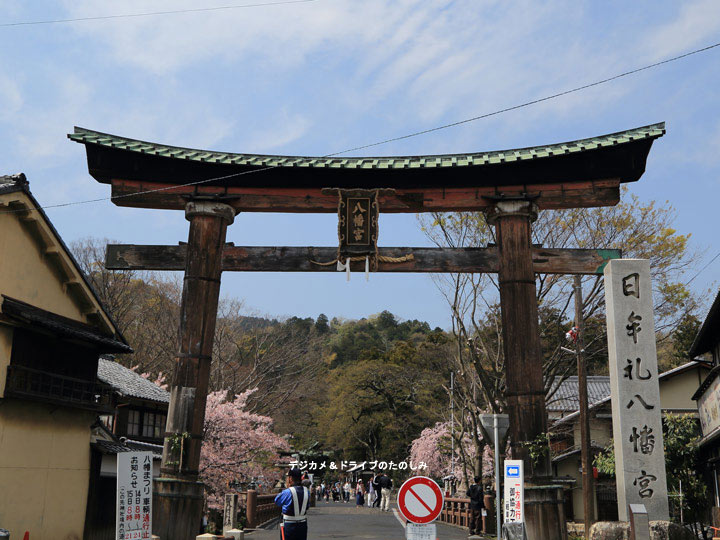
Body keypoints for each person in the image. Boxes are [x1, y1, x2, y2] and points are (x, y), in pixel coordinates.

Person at [274, 468, 310, 540]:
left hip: (289, 524)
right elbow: (307, 506)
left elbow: (277, 501)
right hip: (302, 523)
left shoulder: (287, 492)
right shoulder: (307, 491)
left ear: (290, 478)